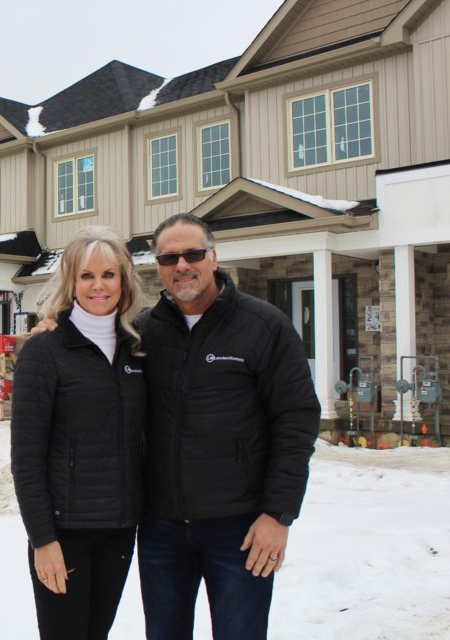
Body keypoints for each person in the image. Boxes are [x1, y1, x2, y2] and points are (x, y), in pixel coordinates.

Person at [136, 212, 320, 639]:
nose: (181, 265)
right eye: (168, 258)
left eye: (193, 253)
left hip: (239, 529)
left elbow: (296, 421)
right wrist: (51, 327)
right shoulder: (143, 334)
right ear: (158, 268)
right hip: (161, 528)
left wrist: (278, 514)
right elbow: (89, 348)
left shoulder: (264, 326)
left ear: (213, 258)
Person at [11, 225, 148, 640]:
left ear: (123, 280)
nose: (98, 285)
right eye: (86, 275)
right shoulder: (44, 351)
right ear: (70, 281)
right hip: (64, 532)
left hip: (120, 528)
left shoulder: (139, 348)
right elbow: (26, 458)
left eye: (108, 274)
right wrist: (42, 540)